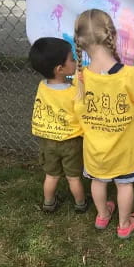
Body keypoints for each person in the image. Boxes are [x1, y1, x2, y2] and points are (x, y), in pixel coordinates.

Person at [74, 9, 134, 238]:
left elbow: (78, 110)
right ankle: (124, 224)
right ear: (113, 36)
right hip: (125, 151)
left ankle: (102, 215)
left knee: (98, 182)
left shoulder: (80, 77)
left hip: (95, 150)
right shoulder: (129, 74)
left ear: (81, 41)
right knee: (124, 185)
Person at [30, 37, 87, 213]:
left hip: (47, 140)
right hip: (70, 142)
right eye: (72, 59)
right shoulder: (73, 92)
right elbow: (81, 113)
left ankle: (48, 202)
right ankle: (80, 203)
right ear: (60, 69)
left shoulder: (42, 87)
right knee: (73, 177)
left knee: (51, 175)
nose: (76, 61)